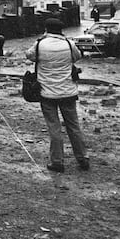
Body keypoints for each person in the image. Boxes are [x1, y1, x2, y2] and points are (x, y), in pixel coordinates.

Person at [26, 18, 89, 173]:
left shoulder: (40, 44)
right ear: (61, 30)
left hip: (47, 94)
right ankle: (83, 158)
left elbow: (29, 56)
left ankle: (57, 162)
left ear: (47, 29)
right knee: (73, 126)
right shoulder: (69, 44)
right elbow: (78, 57)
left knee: (54, 127)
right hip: (68, 92)